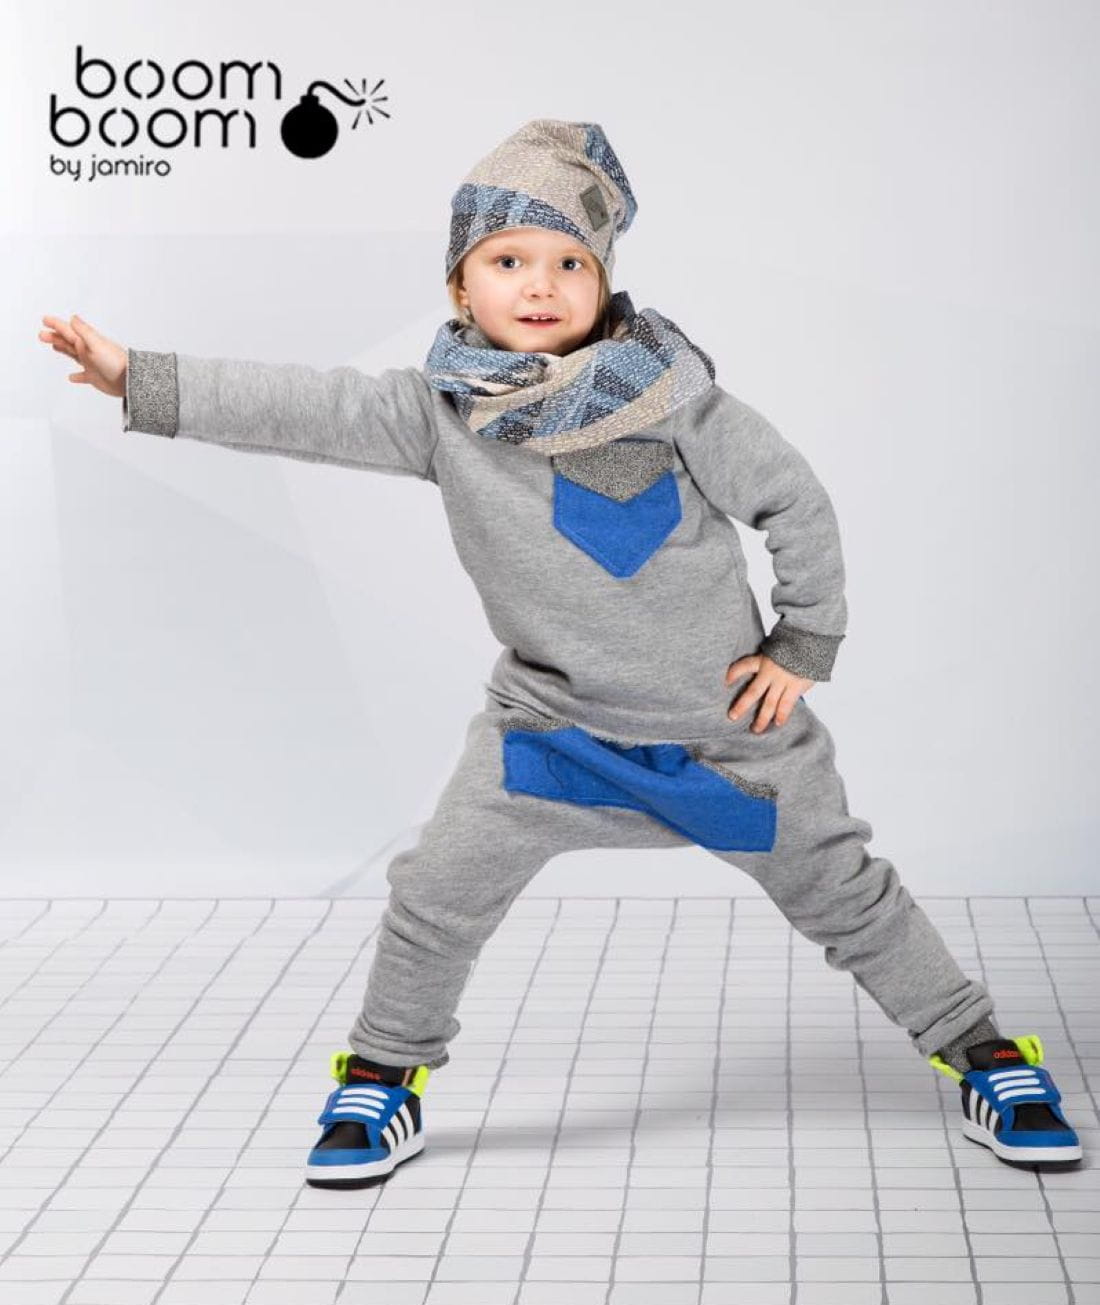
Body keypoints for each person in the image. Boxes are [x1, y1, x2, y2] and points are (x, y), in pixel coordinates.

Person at [39, 118, 1082, 1190]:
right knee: (435, 892)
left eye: (569, 263)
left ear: (604, 280)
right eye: (507, 261)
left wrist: (804, 640)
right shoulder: (439, 415)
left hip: (728, 736)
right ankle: (384, 1074)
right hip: (549, 734)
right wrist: (138, 377)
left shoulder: (673, 399)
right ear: (460, 287)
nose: (539, 285)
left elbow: (794, 501)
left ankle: (981, 1051)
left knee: (849, 898)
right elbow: (307, 405)